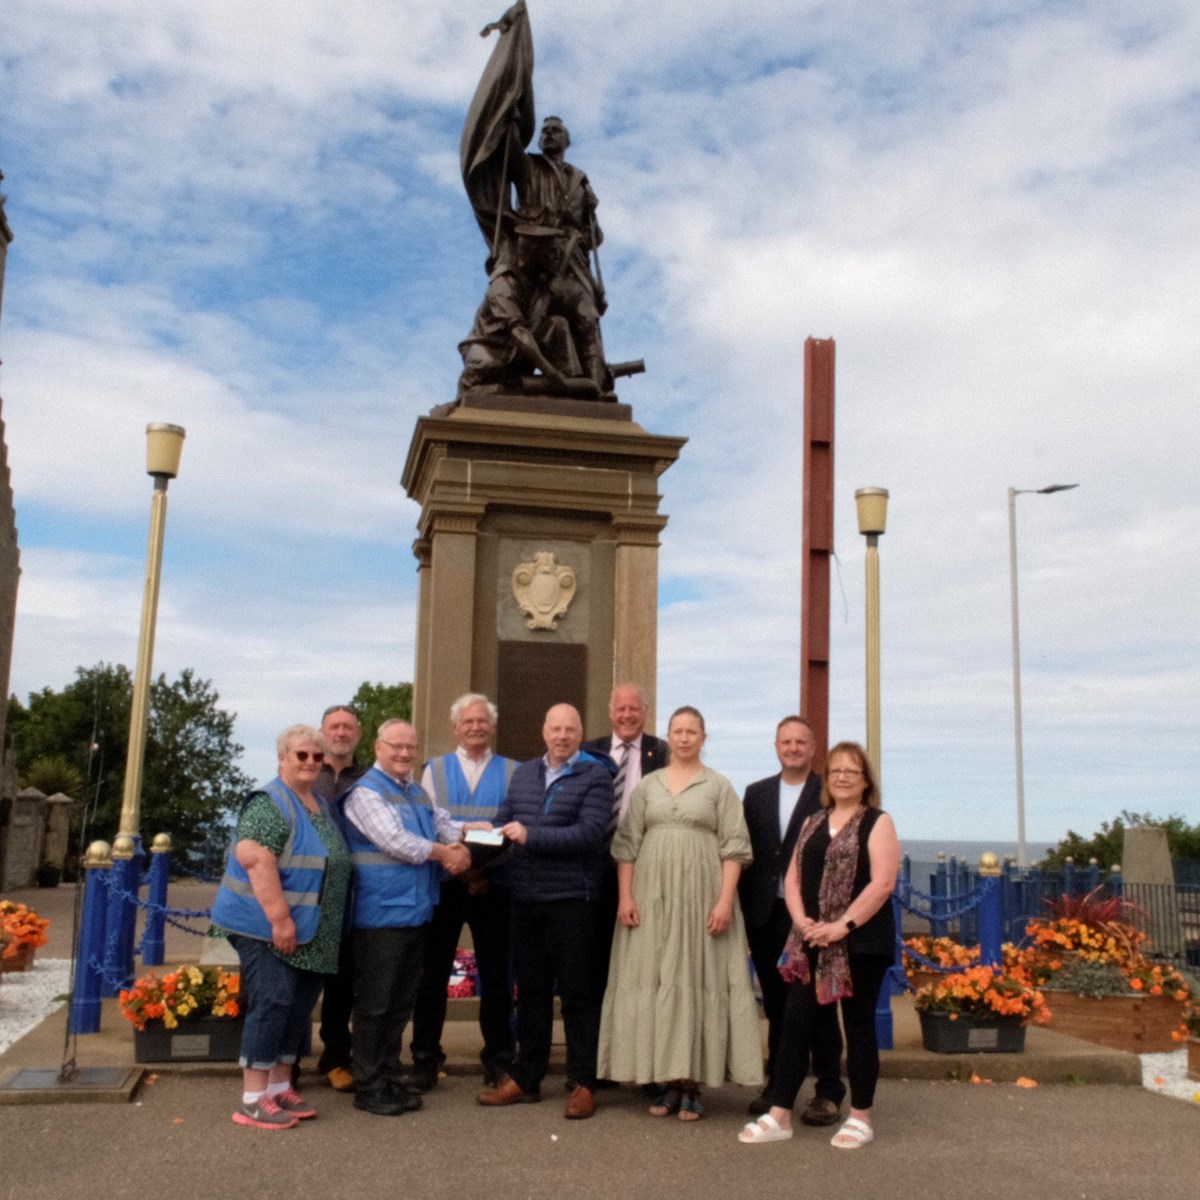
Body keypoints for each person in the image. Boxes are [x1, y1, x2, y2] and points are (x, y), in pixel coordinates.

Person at [598, 706, 762, 1121]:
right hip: (652, 900)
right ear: (668, 737)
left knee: (694, 979)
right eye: (678, 731)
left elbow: (735, 849)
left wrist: (724, 901)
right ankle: (667, 1081)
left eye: (692, 731)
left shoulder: (719, 787)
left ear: (704, 738)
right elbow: (627, 846)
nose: (685, 738)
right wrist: (625, 897)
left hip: (701, 900)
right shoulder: (648, 787)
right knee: (658, 981)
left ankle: (692, 1084)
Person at [738, 741, 900, 1151]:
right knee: (795, 1023)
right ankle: (780, 1114)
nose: (843, 777)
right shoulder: (813, 821)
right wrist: (802, 920)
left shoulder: (878, 822)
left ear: (865, 781)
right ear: (826, 780)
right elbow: (791, 878)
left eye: (852, 771)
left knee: (859, 1026)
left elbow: (882, 884)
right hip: (811, 940)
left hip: (861, 941)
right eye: (836, 771)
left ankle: (861, 1116)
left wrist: (842, 926)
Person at [209, 724, 352, 1131]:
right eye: (301, 755)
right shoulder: (270, 803)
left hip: (309, 931)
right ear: (282, 759)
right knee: (272, 1004)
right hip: (267, 927)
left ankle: (278, 1087)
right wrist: (279, 918)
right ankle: (253, 1098)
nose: (310, 762)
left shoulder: (316, 803)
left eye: (316, 757)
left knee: (296, 1009)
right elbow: (254, 858)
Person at [476, 703, 613, 1120]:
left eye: (570, 729)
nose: (562, 736)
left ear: (580, 733)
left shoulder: (596, 776)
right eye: (555, 728)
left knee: (577, 995)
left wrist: (530, 835)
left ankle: (584, 1082)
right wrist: (477, 841)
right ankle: (527, 1077)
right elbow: (505, 822)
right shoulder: (525, 774)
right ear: (544, 731)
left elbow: (589, 835)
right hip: (526, 898)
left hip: (573, 901)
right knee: (531, 994)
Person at [341, 719, 480, 1116]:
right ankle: (368, 1085)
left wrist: (473, 831)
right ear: (378, 747)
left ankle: (387, 1076)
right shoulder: (366, 793)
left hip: (414, 912)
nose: (404, 754)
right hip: (380, 915)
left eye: (410, 748)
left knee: (400, 1003)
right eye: (395, 747)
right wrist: (448, 853)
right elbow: (397, 842)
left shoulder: (415, 792)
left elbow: (442, 825)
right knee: (376, 1004)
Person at [410, 694, 518, 1091]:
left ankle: (499, 1058)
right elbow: (429, 825)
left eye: (482, 721)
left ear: (492, 726)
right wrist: (462, 869)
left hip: (494, 884)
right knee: (432, 976)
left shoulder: (513, 772)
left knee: (497, 977)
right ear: (456, 727)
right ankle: (425, 1057)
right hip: (445, 884)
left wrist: (479, 870)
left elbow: (513, 829)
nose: (475, 727)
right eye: (467, 721)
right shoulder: (433, 771)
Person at [740, 716, 842, 1121]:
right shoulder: (756, 793)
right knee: (779, 1006)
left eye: (801, 742)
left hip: (814, 918)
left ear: (814, 747)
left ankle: (829, 1090)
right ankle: (780, 1087)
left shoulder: (828, 792)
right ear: (776, 746)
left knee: (819, 1004)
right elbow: (747, 855)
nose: (793, 748)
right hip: (767, 913)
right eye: (786, 741)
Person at [582, 682, 669, 1006]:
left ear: (645, 713)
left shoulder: (663, 753)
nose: (627, 715)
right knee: (596, 955)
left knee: (640, 953)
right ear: (610, 712)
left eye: (634, 708)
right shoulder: (588, 752)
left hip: (645, 868)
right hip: (593, 867)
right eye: (621, 708)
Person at [311, 704, 367, 1094]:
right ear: (322, 732)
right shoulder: (306, 774)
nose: (342, 733)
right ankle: (284, 1062)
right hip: (310, 892)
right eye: (335, 726)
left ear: (359, 734)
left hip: (356, 893)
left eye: (348, 727)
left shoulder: (370, 778)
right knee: (302, 981)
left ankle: (336, 1055)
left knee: (344, 981)